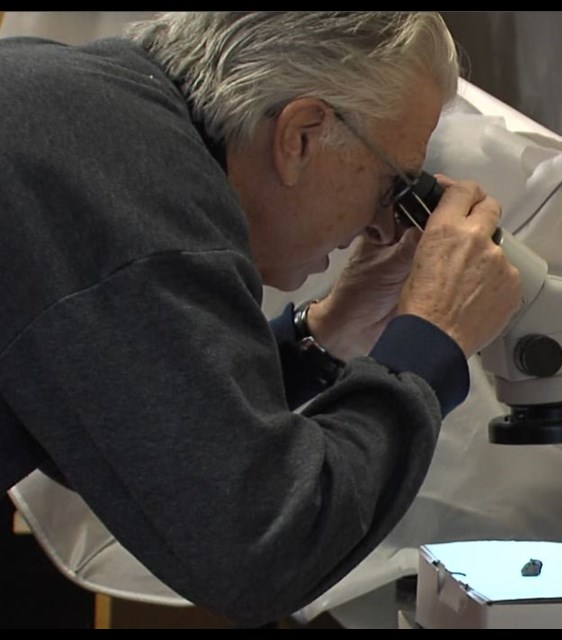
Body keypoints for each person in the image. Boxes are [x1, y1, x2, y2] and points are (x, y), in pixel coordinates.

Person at [0, 11, 522, 627]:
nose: (384, 226)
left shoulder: (85, 115)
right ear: (301, 133)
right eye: (393, 184)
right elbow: (262, 548)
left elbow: (151, 438)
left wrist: (326, 334)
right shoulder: (133, 209)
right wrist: (432, 339)